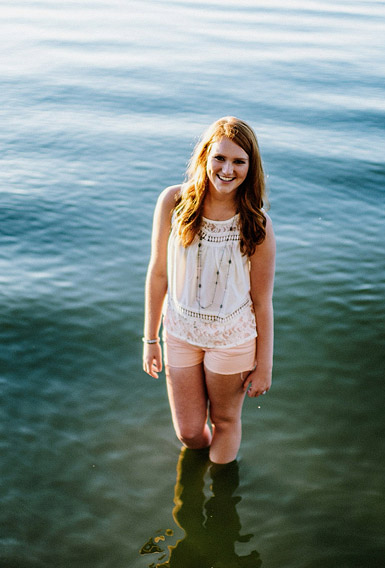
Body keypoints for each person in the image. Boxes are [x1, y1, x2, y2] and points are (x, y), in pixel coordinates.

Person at [142, 116, 275, 465]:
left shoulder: (256, 223)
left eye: (238, 161)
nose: (227, 170)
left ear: (250, 166)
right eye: (220, 158)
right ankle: (198, 465)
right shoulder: (174, 202)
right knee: (188, 432)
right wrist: (150, 339)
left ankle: (221, 492)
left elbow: (262, 301)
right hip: (181, 331)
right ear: (204, 157)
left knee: (225, 420)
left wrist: (265, 364)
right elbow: (158, 274)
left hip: (232, 338)